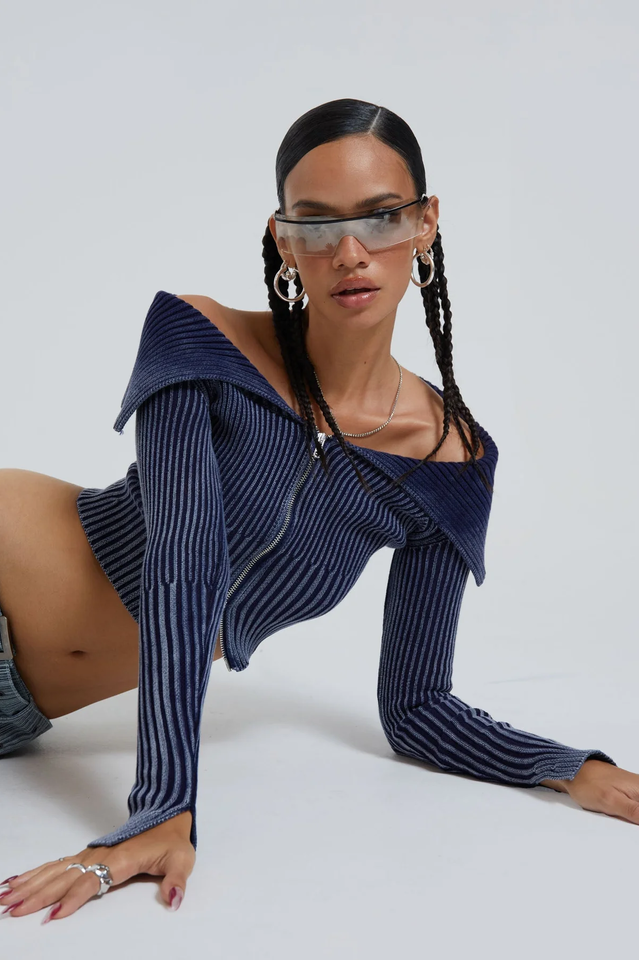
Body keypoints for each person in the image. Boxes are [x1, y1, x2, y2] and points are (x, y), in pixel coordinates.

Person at [0, 97, 634, 925]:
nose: (348, 252)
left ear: (425, 223)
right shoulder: (200, 339)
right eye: (315, 224)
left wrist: (572, 769)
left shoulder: (450, 465)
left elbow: (417, 707)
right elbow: (185, 562)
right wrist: (163, 804)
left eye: (380, 217)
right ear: (282, 239)